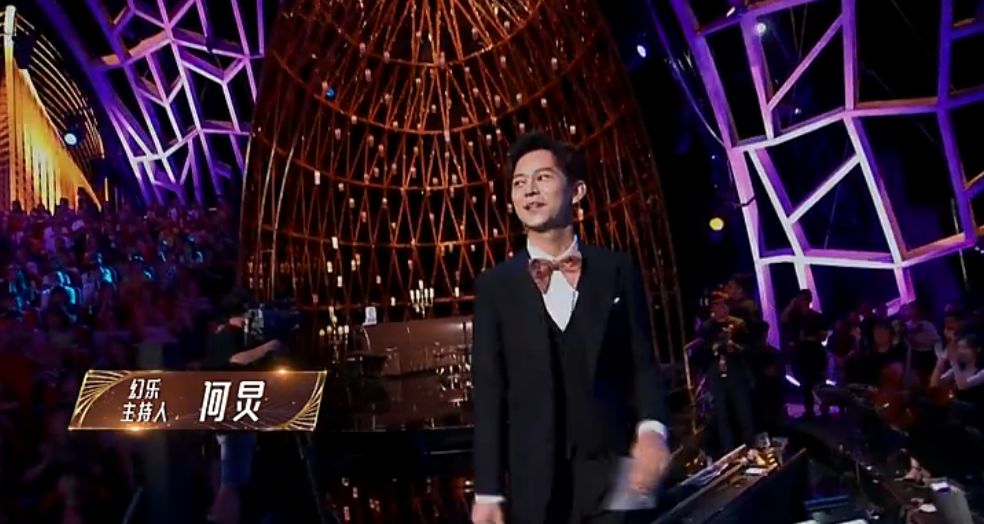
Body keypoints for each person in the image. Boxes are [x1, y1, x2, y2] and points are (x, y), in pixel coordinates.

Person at [470, 132, 671, 524]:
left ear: (577, 191)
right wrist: (488, 492)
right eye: (519, 183)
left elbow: (643, 364)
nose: (529, 190)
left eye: (543, 178)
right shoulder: (495, 287)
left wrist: (652, 431)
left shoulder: (617, 270)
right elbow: (489, 394)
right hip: (535, 486)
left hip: (619, 474)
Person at [204, 288, 284, 524]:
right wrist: (267, 348)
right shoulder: (228, 336)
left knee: (227, 475)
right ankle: (217, 516)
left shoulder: (224, 335)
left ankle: (228, 516)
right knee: (231, 479)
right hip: (231, 414)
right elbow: (236, 359)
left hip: (222, 410)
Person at [693, 292, 755, 454]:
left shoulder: (738, 324)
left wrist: (735, 348)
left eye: (723, 304)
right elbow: (701, 353)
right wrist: (715, 348)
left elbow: (748, 348)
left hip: (736, 372)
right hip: (716, 374)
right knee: (721, 414)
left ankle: (750, 447)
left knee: (744, 411)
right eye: (716, 305)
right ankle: (728, 450)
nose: (720, 308)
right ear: (712, 308)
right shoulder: (706, 328)